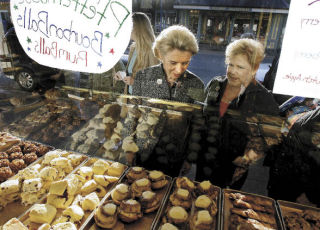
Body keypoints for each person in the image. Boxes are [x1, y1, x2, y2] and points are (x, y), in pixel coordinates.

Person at [198, 38, 280, 189]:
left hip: (232, 169)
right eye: (230, 65)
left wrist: (247, 159)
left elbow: (274, 135)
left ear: (254, 69)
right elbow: (201, 118)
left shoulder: (263, 98)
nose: (232, 71)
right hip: (205, 161)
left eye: (240, 67)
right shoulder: (215, 84)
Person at [132, 25, 205, 104]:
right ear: (160, 54)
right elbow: (133, 112)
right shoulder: (142, 77)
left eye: (185, 63)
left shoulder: (197, 84)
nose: (179, 70)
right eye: (173, 63)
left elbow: (198, 115)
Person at [266, 106, 320, 207]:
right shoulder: (312, 121)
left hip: (289, 184)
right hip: (297, 191)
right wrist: (310, 195)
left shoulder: (308, 117)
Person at [114, 12, 159, 94]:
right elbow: (134, 73)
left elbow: (158, 83)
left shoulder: (152, 50)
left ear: (137, 28)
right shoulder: (133, 48)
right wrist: (123, 74)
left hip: (144, 103)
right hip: (131, 99)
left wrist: (135, 82)